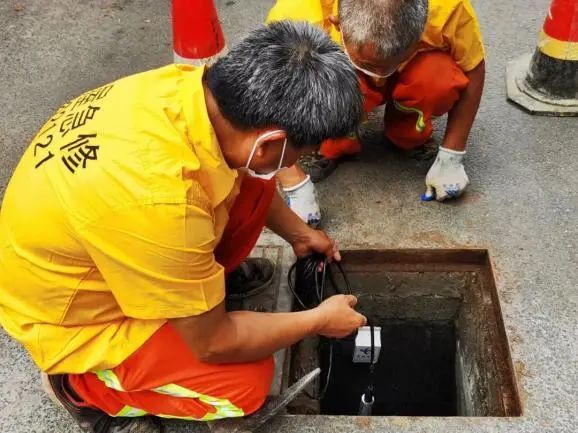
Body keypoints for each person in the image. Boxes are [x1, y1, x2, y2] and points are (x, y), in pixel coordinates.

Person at [0, 21, 366, 433]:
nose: (296, 163)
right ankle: (81, 387)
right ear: (267, 142)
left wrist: (301, 234)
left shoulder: (192, 91)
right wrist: (319, 320)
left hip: (113, 241)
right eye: (300, 152)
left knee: (256, 185)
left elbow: (252, 174)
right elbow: (213, 344)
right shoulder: (161, 197)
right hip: (77, 319)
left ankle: (193, 292)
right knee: (245, 384)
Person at [270, 0, 486, 225]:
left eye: (395, 61)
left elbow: (473, 66)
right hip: (343, 70)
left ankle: (406, 133)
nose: (382, 76)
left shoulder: (448, 8)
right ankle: (334, 142)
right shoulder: (297, 15)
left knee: (437, 78)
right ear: (338, 23)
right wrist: (293, 181)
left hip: (416, 71)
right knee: (321, 77)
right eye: (371, 66)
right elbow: (268, 97)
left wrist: (453, 152)